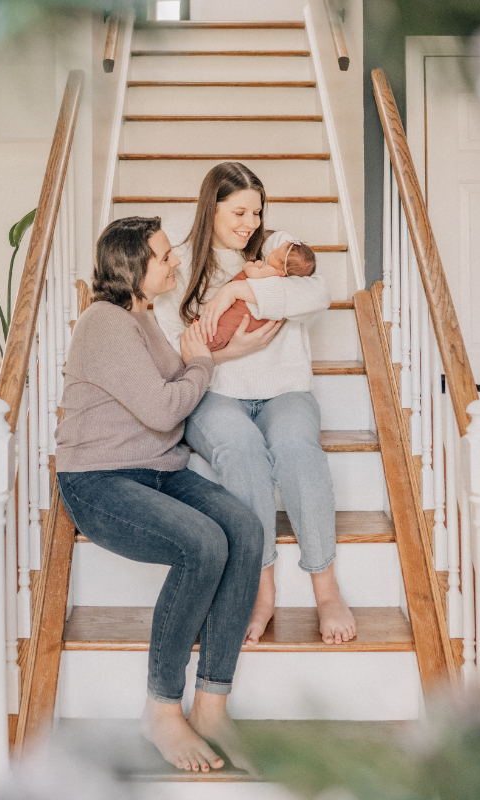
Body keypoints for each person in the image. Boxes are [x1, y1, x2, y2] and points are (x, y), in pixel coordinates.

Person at [55, 216, 263, 773]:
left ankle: (212, 705)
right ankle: (162, 710)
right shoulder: (103, 322)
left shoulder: (141, 316)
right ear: (133, 267)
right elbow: (169, 404)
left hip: (159, 470)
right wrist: (202, 362)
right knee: (202, 543)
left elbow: (177, 380)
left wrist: (212, 355)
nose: (175, 262)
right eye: (164, 255)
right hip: (99, 480)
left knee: (244, 529)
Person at [154, 161, 358, 647]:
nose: (249, 223)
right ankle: (260, 588)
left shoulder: (274, 246)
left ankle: (325, 589)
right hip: (215, 395)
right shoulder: (179, 263)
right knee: (243, 452)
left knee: (296, 449)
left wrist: (244, 289)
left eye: (256, 212)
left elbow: (320, 292)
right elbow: (177, 347)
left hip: (285, 391)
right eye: (238, 212)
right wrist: (233, 351)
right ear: (212, 208)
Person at [207, 241, 317, 351]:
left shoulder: (274, 272)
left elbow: (254, 274)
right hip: (242, 306)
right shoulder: (276, 274)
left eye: (275, 254)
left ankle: (207, 342)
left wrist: (248, 265)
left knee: (223, 327)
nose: (272, 251)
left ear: (282, 271)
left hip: (243, 311)